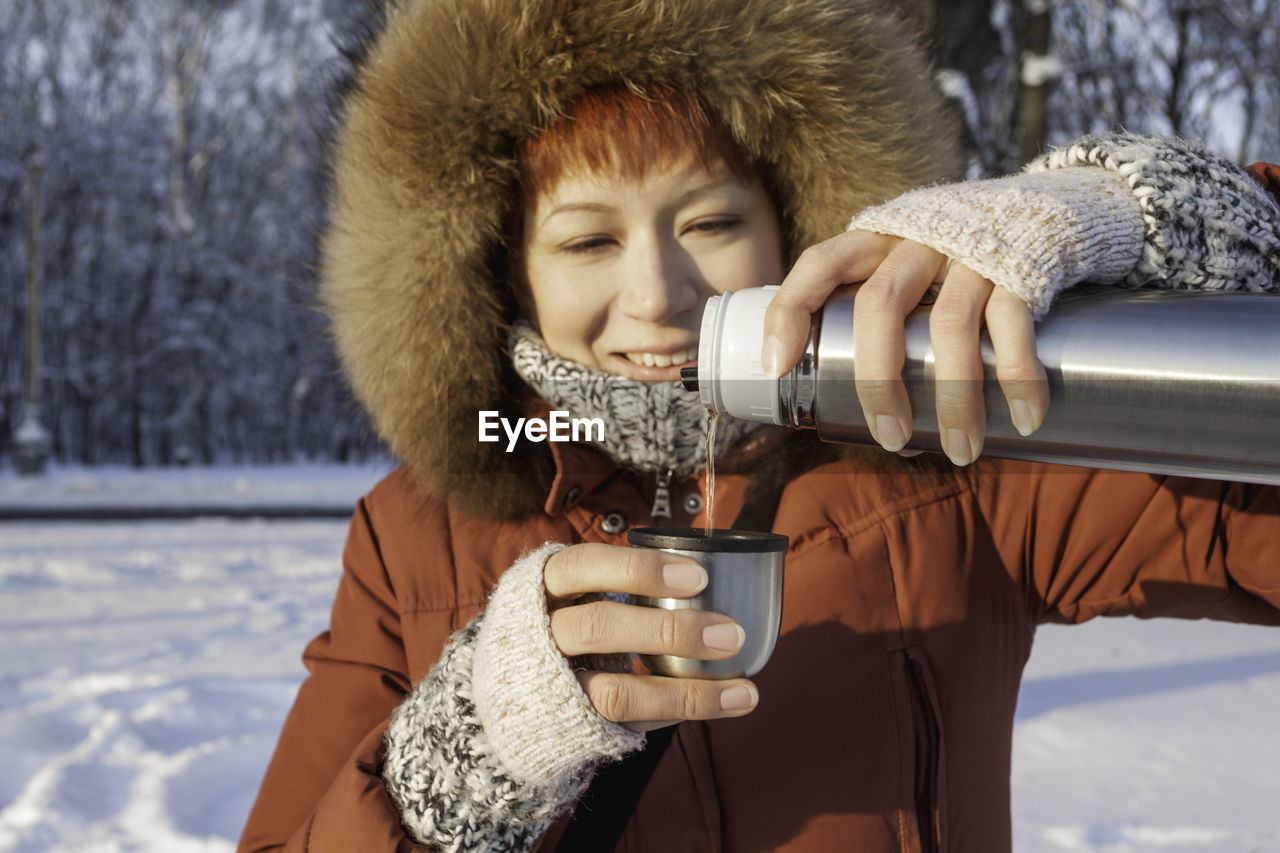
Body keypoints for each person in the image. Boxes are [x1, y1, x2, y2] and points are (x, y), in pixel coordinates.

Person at [238, 0, 1280, 850]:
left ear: (793, 218)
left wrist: (1157, 233)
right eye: (586, 241)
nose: (656, 295)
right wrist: (462, 760)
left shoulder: (943, 452)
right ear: (503, 270)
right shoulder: (411, 538)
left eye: (709, 223)